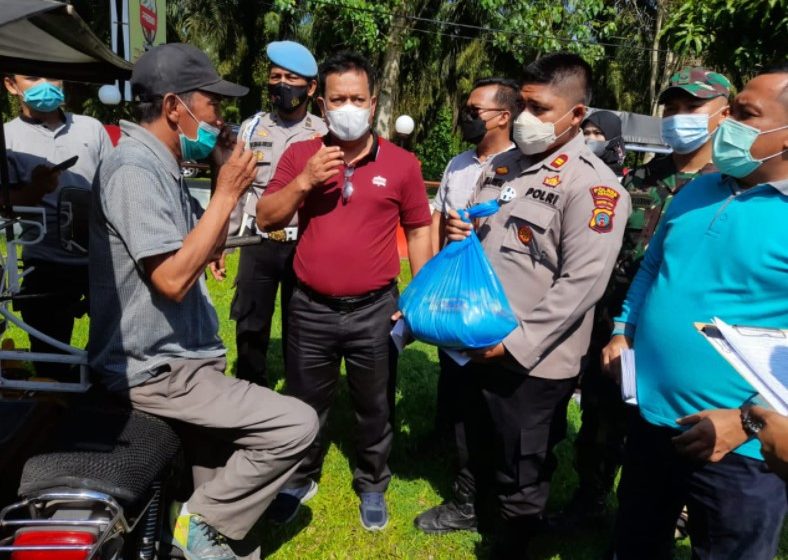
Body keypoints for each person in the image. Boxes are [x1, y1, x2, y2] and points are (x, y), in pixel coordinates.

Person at [88, 43, 318, 560]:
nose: (219, 117)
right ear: (175, 108)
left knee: (224, 501)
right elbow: (171, 279)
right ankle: (202, 522)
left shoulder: (162, 166)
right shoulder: (133, 170)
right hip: (158, 370)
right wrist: (225, 195)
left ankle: (201, 528)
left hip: (186, 361)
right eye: (212, 105)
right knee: (296, 424)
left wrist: (218, 196)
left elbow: (196, 249)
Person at [414, 53, 630, 558]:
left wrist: (514, 344)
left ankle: (513, 539)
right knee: (474, 434)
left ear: (576, 115)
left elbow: (583, 283)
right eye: (522, 103)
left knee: (522, 458)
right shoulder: (504, 165)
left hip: (532, 358)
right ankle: (471, 505)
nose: (524, 116)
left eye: (538, 106)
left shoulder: (595, 186)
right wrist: (462, 232)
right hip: (476, 336)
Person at [602, 63, 788, 560]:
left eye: (745, 115)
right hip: (651, 417)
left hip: (739, 448)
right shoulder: (697, 190)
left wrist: (746, 421)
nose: (727, 125)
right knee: (638, 538)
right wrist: (624, 328)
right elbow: (653, 268)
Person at [257, 51, 433, 531]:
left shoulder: (402, 164)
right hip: (309, 307)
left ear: (372, 103)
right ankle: (298, 477)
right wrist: (305, 182)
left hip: (374, 310)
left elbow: (419, 229)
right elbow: (266, 216)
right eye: (338, 99)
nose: (348, 106)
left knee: (374, 404)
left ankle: (373, 482)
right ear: (323, 105)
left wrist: (420, 297)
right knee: (303, 403)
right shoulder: (299, 155)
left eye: (357, 98)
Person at [558, 68, 732, 528]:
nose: (678, 119)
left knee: (672, 430)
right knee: (600, 420)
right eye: (671, 110)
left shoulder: (730, 189)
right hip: (616, 323)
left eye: (691, 109)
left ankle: (671, 512)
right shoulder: (633, 178)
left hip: (681, 337)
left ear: (723, 114)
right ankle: (590, 498)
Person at [229, 40, 327, 387]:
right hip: (258, 241)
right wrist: (225, 240)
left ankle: (299, 392)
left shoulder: (325, 134)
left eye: (291, 77)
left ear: (311, 87)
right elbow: (237, 188)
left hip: (304, 243)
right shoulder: (252, 128)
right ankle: (249, 388)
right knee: (250, 321)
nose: (281, 84)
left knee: (299, 322)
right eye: (275, 76)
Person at [429, 77, 519, 443]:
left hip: (489, 285)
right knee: (449, 361)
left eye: (474, 110)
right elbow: (438, 215)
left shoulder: (518, 165)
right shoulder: (458, 163)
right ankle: (442, 434)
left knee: (481, 367)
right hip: (451, 278)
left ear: (503, 117)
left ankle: (473, 448)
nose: (466, 115)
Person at [3, 74, 112, 377]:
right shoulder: (7, 138)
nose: (45, 85)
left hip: (101, 261)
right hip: (45, 265)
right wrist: (36, 189)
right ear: (12, 86)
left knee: (114, 348)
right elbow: (5, 205)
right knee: (51, 361)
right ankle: (54, 413)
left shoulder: (92, 128)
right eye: (32, 77)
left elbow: (116, 184)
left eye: (52, 77)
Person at [580, 110, 626, 176]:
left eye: (597, 133)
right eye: (586, 133)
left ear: (612, 136)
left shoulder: (620, 176)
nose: (590, 138)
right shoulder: (574, 163)